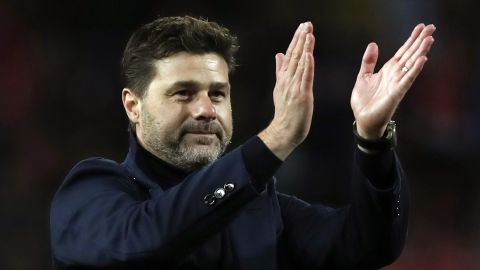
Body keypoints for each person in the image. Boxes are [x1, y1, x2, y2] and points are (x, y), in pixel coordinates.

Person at [50, 16, 435, 269]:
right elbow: (144, 242)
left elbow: (370, 245)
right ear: (133, 106)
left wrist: (373, 141)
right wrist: (277, 137)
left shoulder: (260, 209)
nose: (206, 109)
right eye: (183, 93)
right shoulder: (92, 192)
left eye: (218, 94)